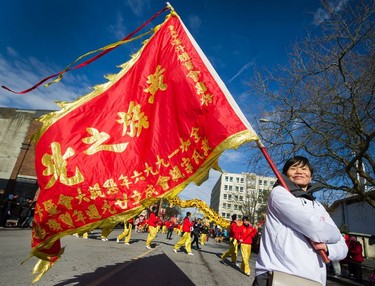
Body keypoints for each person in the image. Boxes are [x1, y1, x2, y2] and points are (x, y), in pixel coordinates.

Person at [252, 156, 348, 286]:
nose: (299, 171)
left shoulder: (318, 206)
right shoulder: (279, 193)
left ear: (311, 176)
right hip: (279, 275)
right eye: (293, 168)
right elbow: (316, 228)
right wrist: (334, 233)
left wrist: (329, 248)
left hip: (314, 280)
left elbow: (343, 247)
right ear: (285, 174)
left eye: (304, 169)